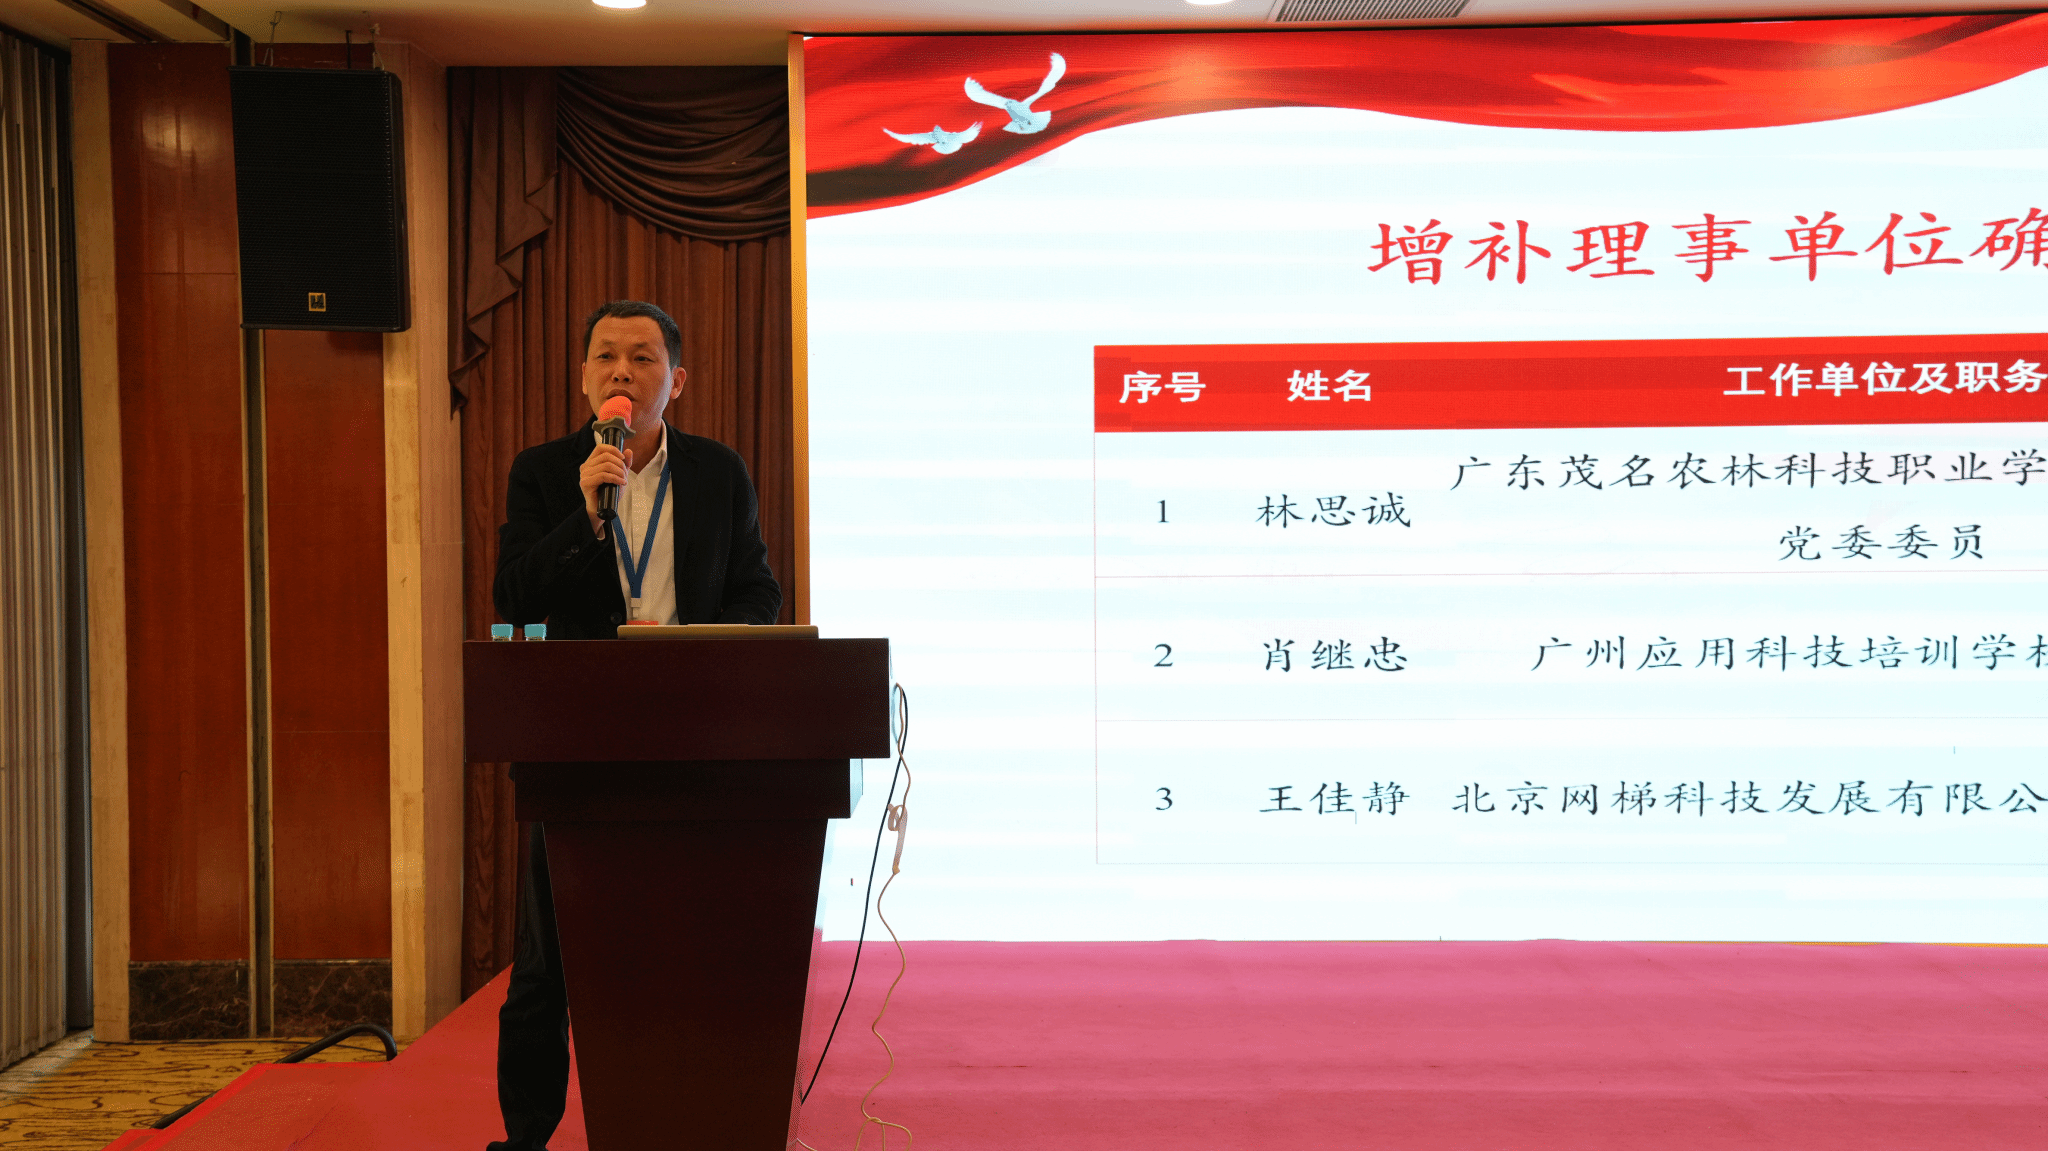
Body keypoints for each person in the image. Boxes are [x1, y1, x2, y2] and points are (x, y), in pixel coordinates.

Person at [487, 300, 780, 1151]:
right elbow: (514, 595)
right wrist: (585, 514)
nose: (623, 370)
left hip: (695, 739)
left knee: (694, 949)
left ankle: (702, 1123)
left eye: (643, 357)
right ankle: (528, 1139)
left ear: (675, 381)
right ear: (584, 377)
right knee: (548, 962)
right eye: (606, 356)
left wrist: (695, 649)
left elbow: (758, 591)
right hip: (574, 746)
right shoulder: (546, 473)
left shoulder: (718, 472)